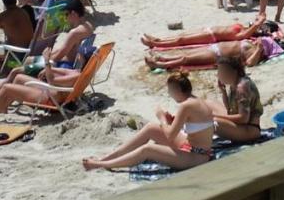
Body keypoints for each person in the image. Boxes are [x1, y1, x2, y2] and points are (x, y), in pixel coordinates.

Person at [0, 0, 94, 121]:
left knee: (16, 71)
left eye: (66, 15)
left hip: (61, 66)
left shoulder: (75, 32)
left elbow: (60, 55)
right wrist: (42, 58)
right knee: (27, 63)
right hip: (65, 66)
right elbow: (66, 52)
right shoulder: (88, 26)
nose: (65, 18)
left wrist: (45, 60)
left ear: (74, 13)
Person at [82, 71, 215, 171]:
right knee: (151, 128)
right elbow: (194, 126)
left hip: (197, 157)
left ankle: (102, 164)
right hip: (191, 147)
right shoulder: (195, 101)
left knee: (148, 149)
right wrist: (170, 121)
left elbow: (170, 136)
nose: (170, 94)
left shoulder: (186, 106)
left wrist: (162, 118)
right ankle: (107, 157)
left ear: (178, 90)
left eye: (170, 91)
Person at [142, 34, 284, 70]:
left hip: (217, 55)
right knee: (186, 54)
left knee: (186, 59)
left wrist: (259, 49)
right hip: (215, 47)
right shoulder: (252, 44)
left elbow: (249, 64)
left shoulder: (256, 54)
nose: (259, 40)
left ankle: (160, 65)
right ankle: (162, 58)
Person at [212, 55, 264, 144]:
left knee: (210, 122)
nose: (218, 75)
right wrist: (223, 92)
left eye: (221, 71)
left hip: (249, 130)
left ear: (233, 72)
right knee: (209, 104)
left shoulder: (241, 88)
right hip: (240, 126)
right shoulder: (235, 84)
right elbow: (229, 108)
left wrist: (215, 117)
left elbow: (243, 119)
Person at [141, 16, 275, 48]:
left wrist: (259, 24)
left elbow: (248, 32)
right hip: (208, 30)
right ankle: (157, 40)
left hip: (211, 36)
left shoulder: (245, 34)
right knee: (181, 36)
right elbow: (257, 18)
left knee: (181, 41)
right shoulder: (244, 27)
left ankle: (156, 44)